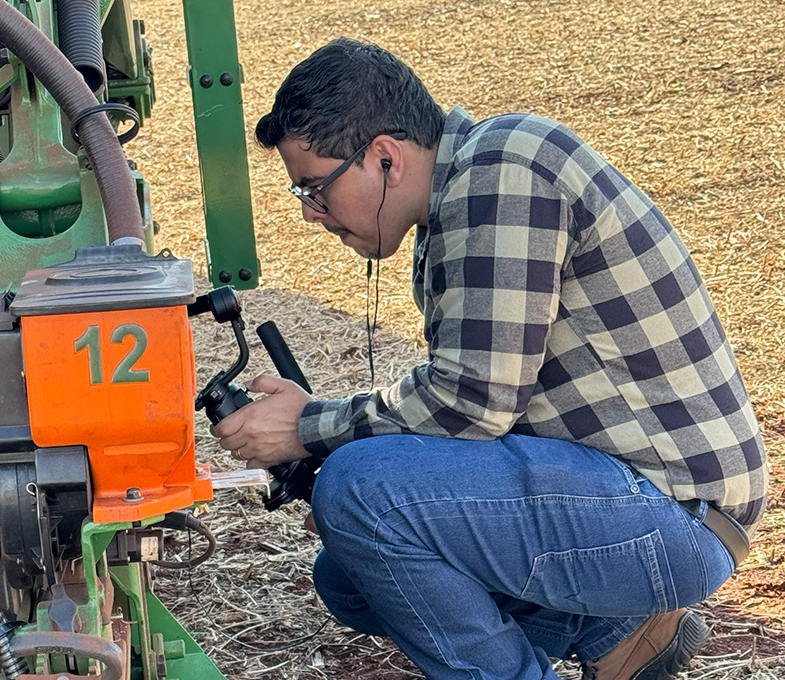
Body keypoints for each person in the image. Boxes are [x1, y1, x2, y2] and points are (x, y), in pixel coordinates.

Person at [213, 38, 765, 680]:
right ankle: (621, 629)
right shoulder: (461, 197)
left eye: (314, 189)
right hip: (633, 501)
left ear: (384, 158)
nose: (311, 215)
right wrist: (328, 444)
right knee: (348, 575)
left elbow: (472, 403)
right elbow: (478, 416)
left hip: (673, 514)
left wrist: (309, 427)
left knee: (365, 493)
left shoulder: (503, 168)